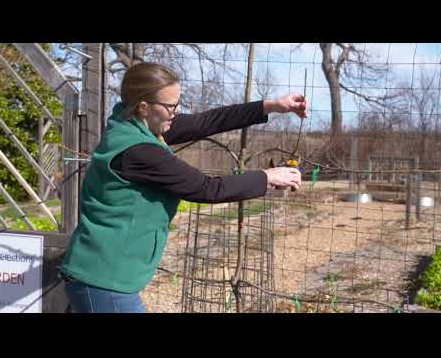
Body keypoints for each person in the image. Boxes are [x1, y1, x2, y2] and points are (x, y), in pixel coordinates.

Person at [59, 61, 306, 313]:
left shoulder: (135, 124)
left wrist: (272, 106)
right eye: (171, 106)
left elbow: (206, 121)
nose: (176, 112)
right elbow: (207, 188)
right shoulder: (139, 151)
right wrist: (267, 177)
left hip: (102, 277)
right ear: (144, 107)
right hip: (104, 281)